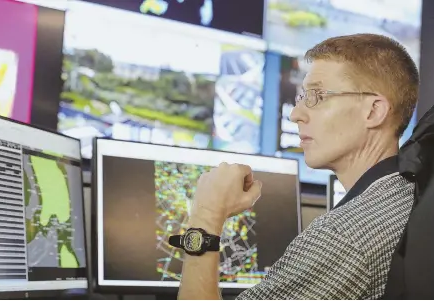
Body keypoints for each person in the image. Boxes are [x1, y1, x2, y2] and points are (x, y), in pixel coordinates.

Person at [175, 33, 420, 299]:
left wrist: (206, 216)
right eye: (301, 97)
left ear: (373, 111)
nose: (296, 114)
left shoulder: (341, 238)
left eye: (316, 96)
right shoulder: (408, 199)